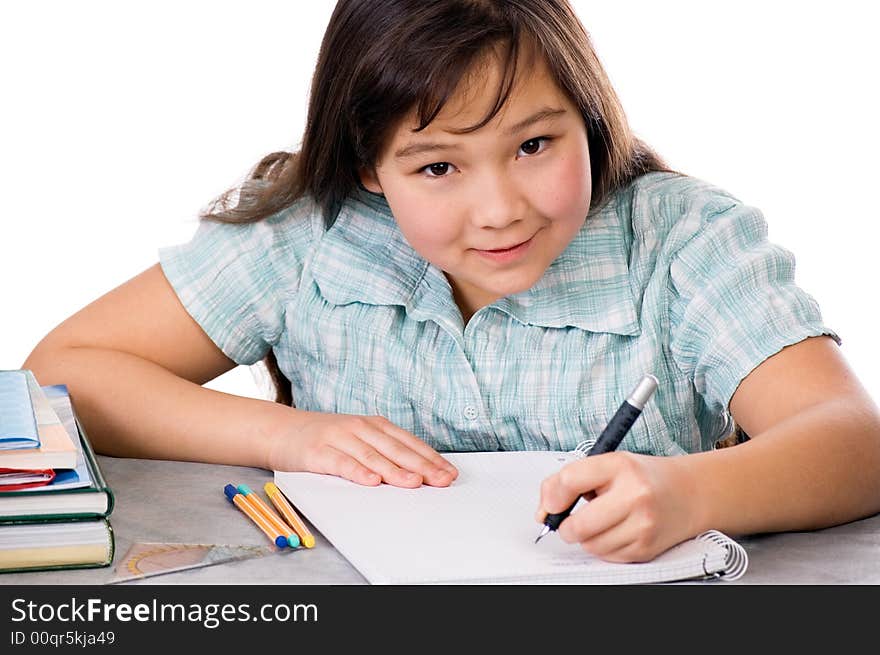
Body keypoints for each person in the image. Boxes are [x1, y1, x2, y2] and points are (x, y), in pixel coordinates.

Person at [24, 0, 880, 563]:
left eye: (534, 146)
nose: (500, 208)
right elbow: (68, 368)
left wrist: (692, 489)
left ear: (589, 118)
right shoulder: (308, 235)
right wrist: (289, 436)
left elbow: (853, 440)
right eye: (438, 166)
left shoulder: (683, 239)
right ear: (367, 165)